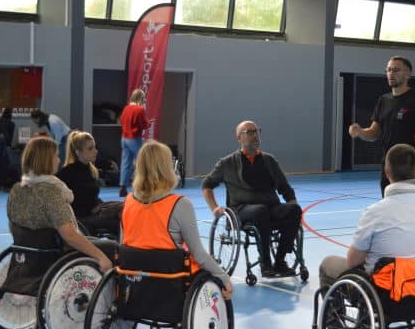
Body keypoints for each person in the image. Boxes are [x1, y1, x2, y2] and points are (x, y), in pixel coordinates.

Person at [318, 143, 415, 329]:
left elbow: (352, 261)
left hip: (386, 296)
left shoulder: (376, 212)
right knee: (375, 273)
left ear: (387, 172)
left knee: (332, 266)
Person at [123, 140, 232, 300]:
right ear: (166, 168)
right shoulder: (180, 204)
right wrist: (224, 278)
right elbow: (199, 254)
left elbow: (124, 243)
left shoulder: (128, 201)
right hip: (169, 284)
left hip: (134, 283)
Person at [202, 120, 300, 278]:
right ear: (239, 138)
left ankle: (280, 261)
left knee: (294, 210)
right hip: (241, 210)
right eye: (249, 132)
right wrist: (214, 208)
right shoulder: (227, 163)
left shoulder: (269, 160)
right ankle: (265, 263)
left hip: (270, 207)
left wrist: (292, 205)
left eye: (256, 131)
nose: (255, 135)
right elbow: (206, 185)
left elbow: (284, 187)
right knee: (260, 211)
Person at [348, 56, 415, 194]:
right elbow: (374, 133)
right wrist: (360, 132)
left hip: (412, 165)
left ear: (408, 74)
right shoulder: (383, 100)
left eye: (396, 70)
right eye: (389, 70)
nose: (391, 74)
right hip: (389, 165)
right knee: (389, 205)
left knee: (411, 207)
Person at [6, 136, 112, 274]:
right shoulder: (52, 192)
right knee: (112, 246)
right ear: (46, 160)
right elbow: (70, 236)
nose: (59, 160)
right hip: (58, 251)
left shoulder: (16, 190)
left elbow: (14, 225)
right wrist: (101, 257)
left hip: (30, 251)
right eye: (56, 156)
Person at [57, 131, 123, 238]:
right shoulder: (66, 173)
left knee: (127, 207)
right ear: (78, 152)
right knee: (122, 214)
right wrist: (91, 208)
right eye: (90, 148)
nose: (95, 151)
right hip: (84, 218)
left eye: (95, 147)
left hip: (96, 210)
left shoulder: (90, 169)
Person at [119, 89, 150, 197]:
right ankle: (141, 186)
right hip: (134, 138)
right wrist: (149, 123)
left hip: (124, 138)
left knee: (125, 163)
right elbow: (143, 125)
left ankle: (122, 187)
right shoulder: (139, 109)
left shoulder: (126, 108)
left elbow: (121, 121)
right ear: (140, 98)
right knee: (141, 162)